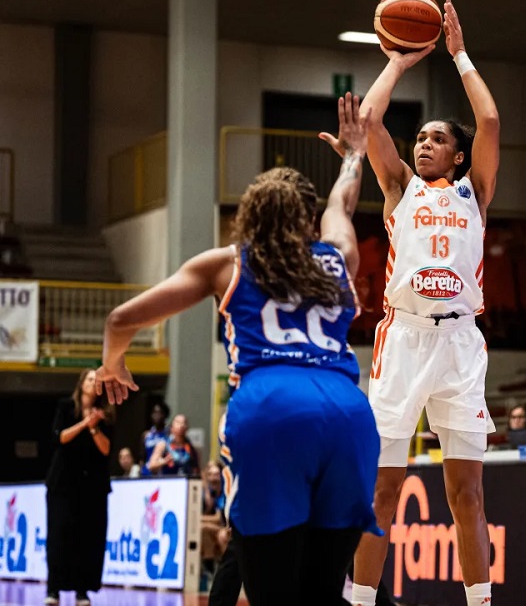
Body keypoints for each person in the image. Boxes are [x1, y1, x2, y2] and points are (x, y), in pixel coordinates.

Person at [96, 92, 379, 605]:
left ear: (250, 215)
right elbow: (344, 201)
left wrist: (111, 364)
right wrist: (354, 153)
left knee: (270, 590)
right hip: (347, 409)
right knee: (324, 593)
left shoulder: (227, 263)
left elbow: (121, 319)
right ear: (307, 221)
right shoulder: (338, 255)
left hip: (270, 404)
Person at [351, 0, 499, 606]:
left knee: (466, 494)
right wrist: (398, 61)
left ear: (458, 155)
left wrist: (459, 53)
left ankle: (480, 602)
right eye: (420, 138)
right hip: (404, 339)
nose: (424, 144)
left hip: (460, 342)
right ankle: (359, 601)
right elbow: (369, 120)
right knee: (384, 491)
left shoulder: (475, 194)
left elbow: (489, 122)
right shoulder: (398, 189)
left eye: (436, 138)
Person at [44, 369, 112, 606]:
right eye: (90, 379)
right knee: (58, 537)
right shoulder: (65, 407)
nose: (94, 383)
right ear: (82, 384)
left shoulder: (105, 414)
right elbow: (60, 438)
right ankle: (53, 590)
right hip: (63, 483)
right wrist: (85, 423)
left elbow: (106, 449)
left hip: (92, 486)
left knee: (88, 539)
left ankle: (82, 591)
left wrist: (94, 427)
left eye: (98, 381)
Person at [146, 413, 201, 477]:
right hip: (169, 482)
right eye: (178, 422)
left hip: (185, 482)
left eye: (184, 423)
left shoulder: (191, 447)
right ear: (171, 427)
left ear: (187, 428)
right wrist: (164, 461)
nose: (181, 425)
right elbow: (151, 466)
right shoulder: (163, 444)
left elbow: (196, 469)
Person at [140, 400, 169, 476]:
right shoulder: (146, 435)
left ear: (165, 415)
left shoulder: (168, 434)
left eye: (159, 413)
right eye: (154, 413)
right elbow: (142, 457)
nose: (156, 416)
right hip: (147, 473)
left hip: (163, 473)